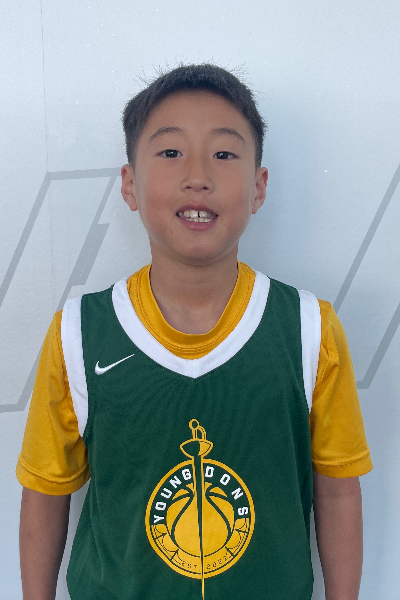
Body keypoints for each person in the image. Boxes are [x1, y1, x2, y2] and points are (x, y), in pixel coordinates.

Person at [17, 64, 372, 600]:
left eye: (224, 154)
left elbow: (339, 491)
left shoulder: (309, 328)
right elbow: (45, 492)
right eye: (170, 151)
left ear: (259, 187)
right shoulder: (79, 332)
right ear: (130, 184)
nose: (198, 175)